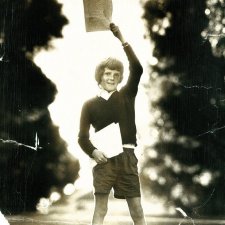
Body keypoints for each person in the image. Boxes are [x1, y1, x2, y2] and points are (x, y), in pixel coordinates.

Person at [78, 23, 146, 225]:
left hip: (127, 157)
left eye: (116, 75)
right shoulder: (89, 105)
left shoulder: (126, 95)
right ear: (100, 76)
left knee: (137, 210)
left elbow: (138, 68)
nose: (112, 77)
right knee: (101, 209)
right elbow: (82, 138)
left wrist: (122, 39)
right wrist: (93, 152)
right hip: (104, 160)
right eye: (108, 73)